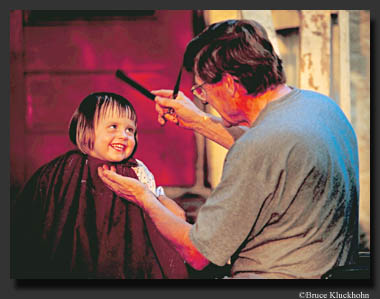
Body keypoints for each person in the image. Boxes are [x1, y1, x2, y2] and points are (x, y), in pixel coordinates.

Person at [98, 20, 360, 279]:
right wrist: (198, 120)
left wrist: (144, 198)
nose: (205, 101)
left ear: (230, 85)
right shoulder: (321, 108)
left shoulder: (259, 147)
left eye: (202, 90)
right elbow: (276, 157)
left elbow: (197, 253)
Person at [11, 92, 188, 279]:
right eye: (113, 127)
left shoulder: (137, 170)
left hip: (126, 255)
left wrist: (162, 201)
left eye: (130, 130)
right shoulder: (61, 171)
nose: (124, 136)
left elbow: (154, 198)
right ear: (87, 130)